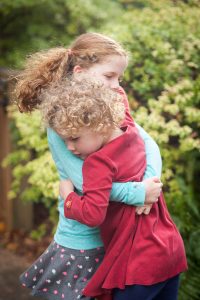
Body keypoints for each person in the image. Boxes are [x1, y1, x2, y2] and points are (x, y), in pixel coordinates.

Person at [15, 32, 166, 300]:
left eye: (119, 77)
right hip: (82, 240)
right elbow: (86, 185)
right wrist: (137, 193)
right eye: (109, 76)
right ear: (80, 72)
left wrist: (151, 182)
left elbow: (147, 141)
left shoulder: (110, 108)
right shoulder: (62, 125)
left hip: (117, 234)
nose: (117, 85)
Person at [41, 78, 187, 300]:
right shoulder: (131, 132)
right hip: (170, 249)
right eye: (65, 141)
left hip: (138, 264)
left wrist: (69, 197)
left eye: (74, 139)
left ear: (99, 124)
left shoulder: (97, 164)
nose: (69, 148)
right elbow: (120, 97)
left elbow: (92, 214)